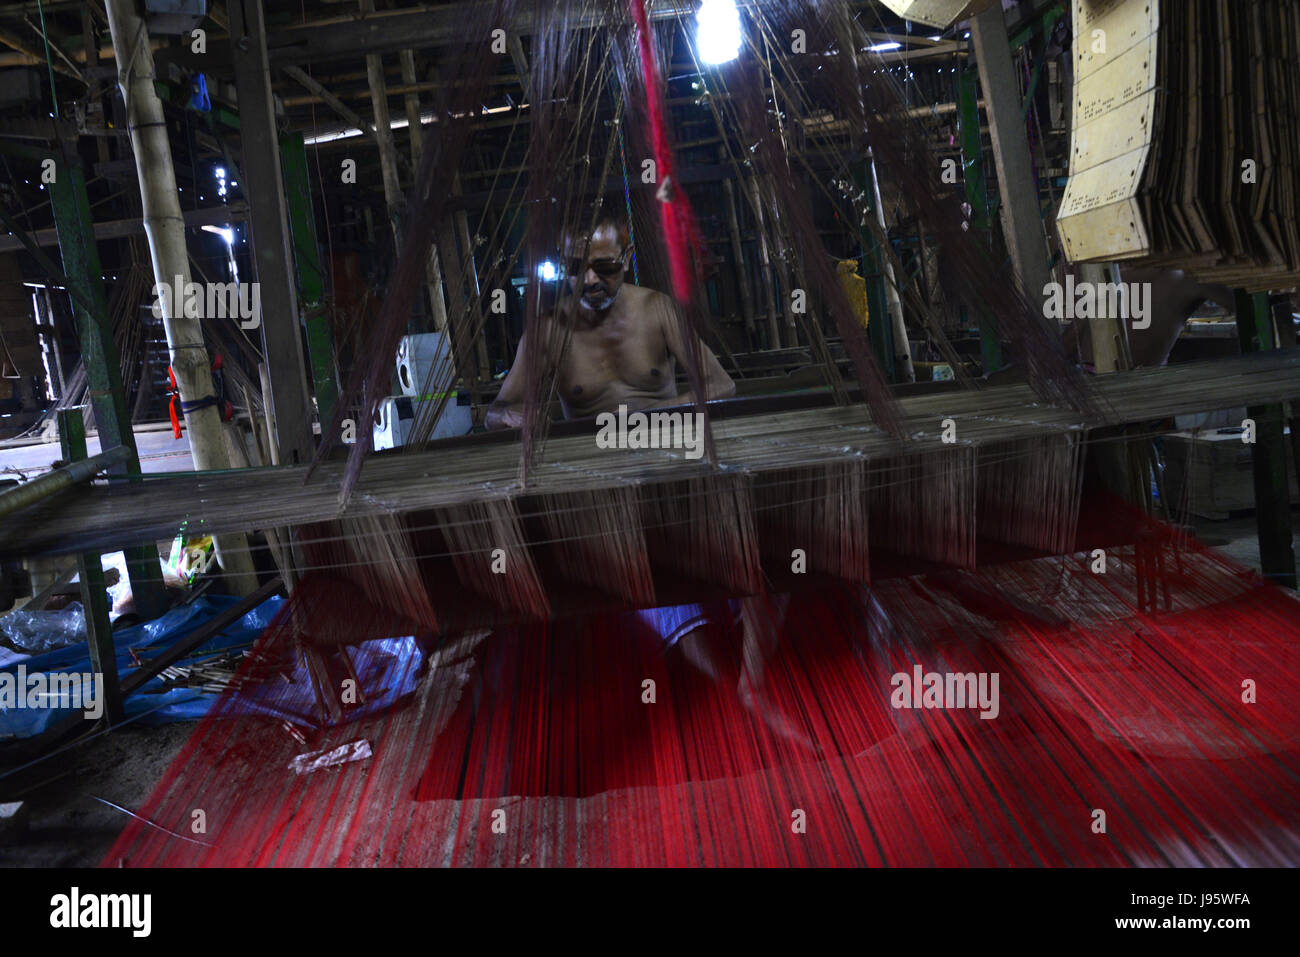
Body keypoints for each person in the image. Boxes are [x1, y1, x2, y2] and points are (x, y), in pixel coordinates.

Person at [484, 217, 734, 429]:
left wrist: (644, 417)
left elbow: (722, 386)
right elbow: (492, 414)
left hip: (665, 442)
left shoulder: (658, 309)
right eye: (576, 267)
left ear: (626, 259)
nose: (591, 279)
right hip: (591, 458)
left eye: (604, 266)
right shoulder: (547, 330)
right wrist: (509, 415)